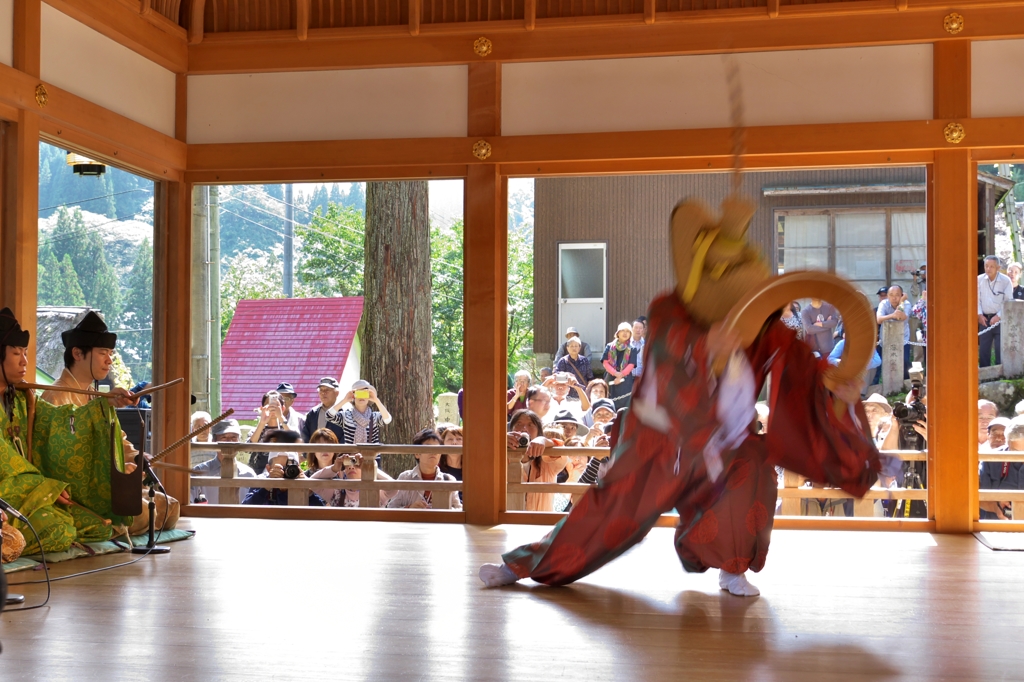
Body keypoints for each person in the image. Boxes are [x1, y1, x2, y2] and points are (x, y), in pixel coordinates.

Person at [480, 194, 879, 595]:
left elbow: (804, 372)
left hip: (725, 445)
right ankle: (525, 565)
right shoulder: (670, 311)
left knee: (752, 469)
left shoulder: (767, 327)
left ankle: (732, 567)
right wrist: (706, 352)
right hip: (661, 440)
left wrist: (837, 390)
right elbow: (664, 363)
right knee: (612, 517)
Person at [38, 311, 180, 536]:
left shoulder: (95, 396)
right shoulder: (55, 397)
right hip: (80, 495)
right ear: (77, 353)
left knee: (169, 506)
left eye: (110, 353)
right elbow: (65, 463)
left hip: (105, 487)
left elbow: (118, 439)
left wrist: (135, 457)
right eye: (102, 353)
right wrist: (118, 471)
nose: (109, 360)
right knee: (145, 513)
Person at [242, 430, 325, 506]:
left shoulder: (302, 482)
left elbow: (322, 512)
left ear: (297, 468)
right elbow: (245, 509)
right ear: (268, 468)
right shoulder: (261, 481)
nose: (285, 471)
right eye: (280, 467)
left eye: (288, 467)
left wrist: (308, 491)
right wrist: (265, 488)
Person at [506, 409, 566, 512]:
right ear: (511, 430)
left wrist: (544, 440)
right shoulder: (499, 456)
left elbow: (562, 454)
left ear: (539, 432)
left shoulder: (547, 461)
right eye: (519, 424)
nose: (524, 429)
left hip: (540, 523)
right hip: (508, 523)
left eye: (531, 425)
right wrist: (498, 441)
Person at [387, 429, 462, 510]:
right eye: (428, 448)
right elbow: (391, 508)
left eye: (437, 449)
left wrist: (445, 509)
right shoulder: (405, 478)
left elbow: (458, 509)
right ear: (417, 454)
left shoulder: (448, 480)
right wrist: (409, 508)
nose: (433, 452)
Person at [190, 419, 257, 504]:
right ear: (213, 441)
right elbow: (189, 501)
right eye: (224, 437)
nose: (229, 442)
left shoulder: (249, 474)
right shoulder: (200, 471)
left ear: (239, 441)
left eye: (234, 437)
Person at [979, 419, 1024, 520]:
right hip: (998, 528)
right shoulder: (991, 459)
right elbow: (978, 498)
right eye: (1016, 452)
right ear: (1007, 443)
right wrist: (996, 506)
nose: (1022, 456)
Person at [978, 255, 1012, 367]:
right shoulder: (979, 280)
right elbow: (975, 299)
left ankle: (999, 375)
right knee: (983, 349)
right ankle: (984, 376)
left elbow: (1008, 302)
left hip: (1000, 320)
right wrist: (979, 314)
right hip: (984, 319)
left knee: (1000, 348)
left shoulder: (1006, 281)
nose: (988, 269)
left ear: (998, 267)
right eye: (986, 266)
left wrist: (998, 316)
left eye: (992, 266)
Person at [335, 380, 392, 445]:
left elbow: (388, 420)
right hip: (352, 455)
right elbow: (329, 415)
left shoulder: (375, 416)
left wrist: (376, 400)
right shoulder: (346, 415)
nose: (361, 396)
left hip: (372, 455)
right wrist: (345, 400)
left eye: (364, 393)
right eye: (358, 393)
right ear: (353, 396)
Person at [248, 390, 290, 475]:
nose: (272, 408)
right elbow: (249, 448)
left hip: (283, 473)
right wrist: (262, 423)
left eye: (276, 405)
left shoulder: (287, 429)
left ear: (283, 408)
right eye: (269, 404)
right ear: (262, 408)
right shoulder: (257, 430)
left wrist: (281, 417)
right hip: (259, 475)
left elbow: (297, 444)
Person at [876, 285, 912, 379]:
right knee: (880, 363)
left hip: (903, 339)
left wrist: (901, 302)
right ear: (888, 296)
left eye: (897, 295)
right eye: (891, 295)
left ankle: (905, 386)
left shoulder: (906, 303)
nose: (894, 297)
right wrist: (892, 315)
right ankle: (874, 385)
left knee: (905, 361)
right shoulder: (884, 303)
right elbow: (879, 319)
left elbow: (901, 317)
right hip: (885, 339)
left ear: (901, 295)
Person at [602, 322, 638, 409]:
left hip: (625, 380)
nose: (625, 333)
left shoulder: (632, 348)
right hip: (610, 377)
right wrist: (615, 373)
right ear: (618, 333)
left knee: (624, 405)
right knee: (608, 402)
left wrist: (621, 375)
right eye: (623, 331)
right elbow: (605, 362)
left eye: (628, 331)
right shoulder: (609, 346)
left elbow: (631, 364)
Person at [301, 377, 345, 443]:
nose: (323, 393)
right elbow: (305, 436)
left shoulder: (344, 414)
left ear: (337, 393)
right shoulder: (313, 413)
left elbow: (345, 439)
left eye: (327, 390)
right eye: (321, 390)